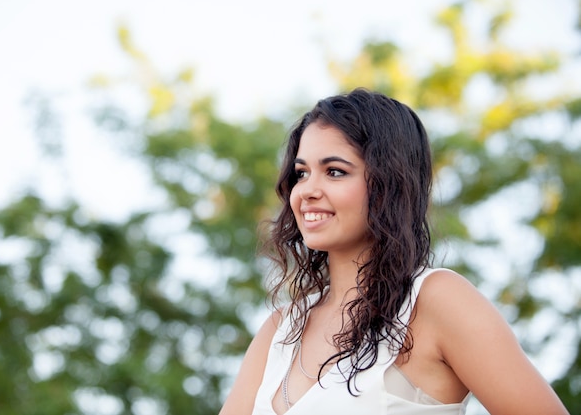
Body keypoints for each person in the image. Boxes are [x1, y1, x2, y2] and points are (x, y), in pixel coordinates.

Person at [219, 88, 568, 415]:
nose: (307, 190)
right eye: (302, 173)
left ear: (388, 184)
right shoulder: (281, 329)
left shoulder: (435, 301)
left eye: (335, 172)